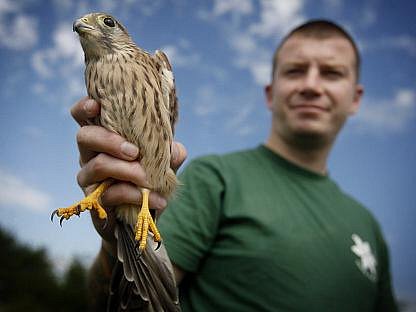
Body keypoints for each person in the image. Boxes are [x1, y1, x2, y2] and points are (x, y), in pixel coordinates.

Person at [71, 20, 398, 311]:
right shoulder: (213, 180)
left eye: (331, 73)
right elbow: (129, 302)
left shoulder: (368, 226)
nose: (312, 85)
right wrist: (115, 244)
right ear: (270, 93)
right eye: (295, 70)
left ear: (355, 98)